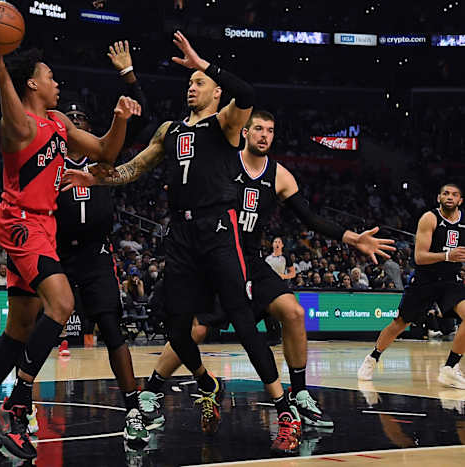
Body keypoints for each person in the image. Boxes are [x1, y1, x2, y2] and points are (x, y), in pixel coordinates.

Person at [63, 31, 298, 453]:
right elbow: (131, 169)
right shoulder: (169, 130)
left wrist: (199, 61)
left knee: (244, 322)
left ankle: (284, 408)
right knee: (175, 326)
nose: (191, 85)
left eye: (200, 83)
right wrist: (95, 176)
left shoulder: (226, 123)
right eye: (189, 82)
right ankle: (207, 383)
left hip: (220, 229)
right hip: (182, 233)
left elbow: (248, 91)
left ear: (215, 92)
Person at [136, 110, 394, 436]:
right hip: (214, 256)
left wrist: (351, 237)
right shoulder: (223, 163)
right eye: (258, 128)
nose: (264, 135)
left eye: (270, 131)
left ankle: (299, 392)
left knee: (294, 311)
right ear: (243, 131)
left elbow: (310, 218)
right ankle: (154, 387)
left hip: (252, 262)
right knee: (194, 331)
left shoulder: (280, 176)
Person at [0, 37, 140, 460]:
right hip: (20, 222)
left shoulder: (58, 122)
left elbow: (106, 150)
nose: (56, 82)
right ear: (32, 84)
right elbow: (10, 112)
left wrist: (120, 118)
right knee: (63, 301)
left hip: (44, 226)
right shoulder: (21, 126)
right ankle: (16, 406)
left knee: (20, 328)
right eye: (49, 76)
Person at [51, 39, 151, 445]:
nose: (75, 126)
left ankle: (133, 411)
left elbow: (142, 120)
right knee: (43, 331)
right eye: (70, 120)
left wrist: (128, 74)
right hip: (57, 255)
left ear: (87, 129)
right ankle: (21, 406)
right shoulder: (50, 159)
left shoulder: (103, 161)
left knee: (113, 331)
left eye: (81, 121)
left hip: (96, 256)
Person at [358, 184, 465, 389]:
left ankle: (450, 368)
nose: (449, 197)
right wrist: (447, 255)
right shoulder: (429, 218)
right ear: (438, 198)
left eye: (454, 194)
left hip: (450, 279)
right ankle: (372, 358)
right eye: (445, 193)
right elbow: (419, 257)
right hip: (425, 279)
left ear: (460, 200)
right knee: (400, 322)